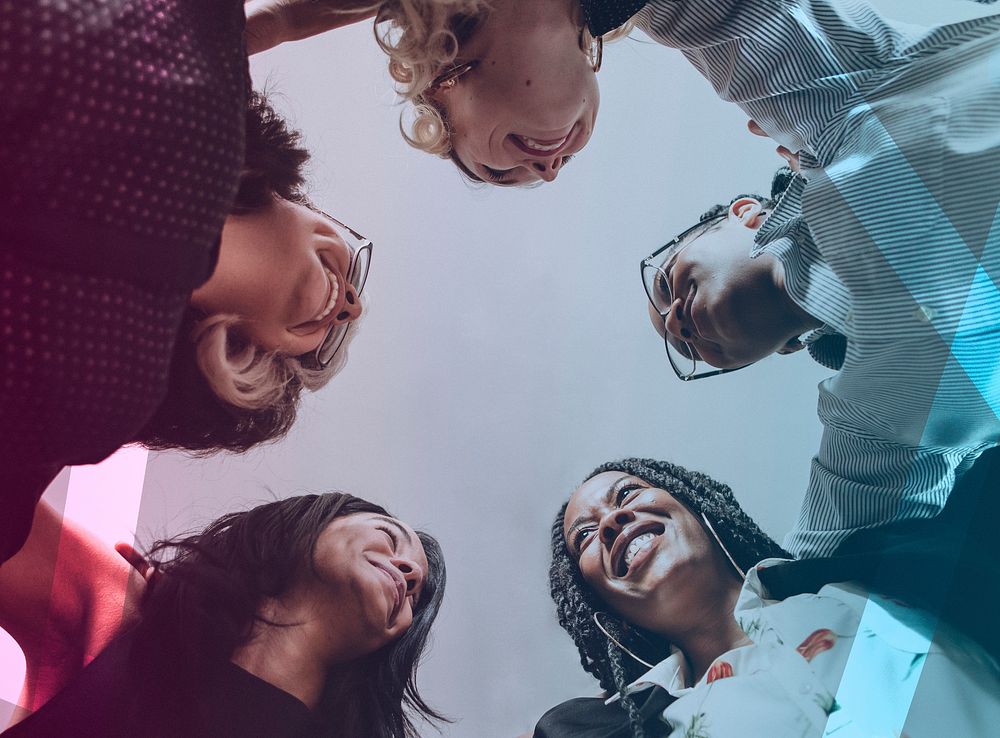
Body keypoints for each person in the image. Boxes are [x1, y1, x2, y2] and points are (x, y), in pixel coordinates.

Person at [1, 0, 375, 564]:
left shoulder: (104, 397)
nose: (348, 306)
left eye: (321, 351)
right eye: (359, 271)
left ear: (256, 369)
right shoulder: (188, 80)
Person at [535, 457, 1000, 737]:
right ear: (602, 608)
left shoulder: (851, 558)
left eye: (628, 493)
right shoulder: (638, 724)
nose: (613, 521)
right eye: (587, 535)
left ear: (693, 504)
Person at [0, 492, 446, 738]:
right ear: (309, 523)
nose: (406, 572)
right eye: (390, 537)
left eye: (413, 591)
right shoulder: (127, 612)